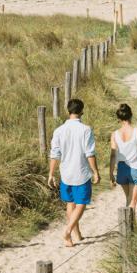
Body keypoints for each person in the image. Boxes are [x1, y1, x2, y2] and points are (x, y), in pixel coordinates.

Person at [47, 98, 100, 247]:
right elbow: (90, 153)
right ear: (82, 111)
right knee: (82, 203)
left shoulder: (59, 130)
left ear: (68, 111)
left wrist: (51, 173)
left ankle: (76, 234)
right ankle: (68, 231)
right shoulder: (86, 130)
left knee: (70, 203)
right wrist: (95, 171)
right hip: (81, 172)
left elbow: (54, 154)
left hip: (66, 173)